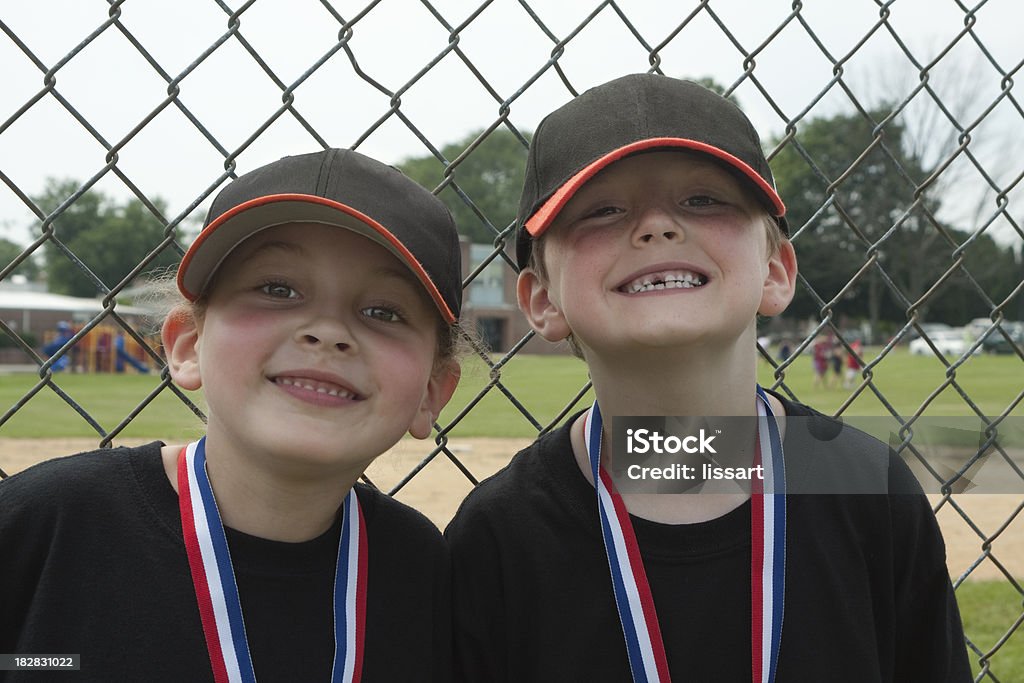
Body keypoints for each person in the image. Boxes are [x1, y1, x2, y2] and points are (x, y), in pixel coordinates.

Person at [445, 74, 970, 682]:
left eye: (703, 200)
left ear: (775, 268)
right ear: (541, 300)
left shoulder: (867, 492)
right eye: (604, 210)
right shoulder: (497, 539)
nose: (657, 227)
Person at [0, 149, 463, 682]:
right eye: (277, 289)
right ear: (187, 346)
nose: (327, 331)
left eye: (383, 312)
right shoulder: (47, 524)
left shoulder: (418, 569)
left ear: (432, 391)